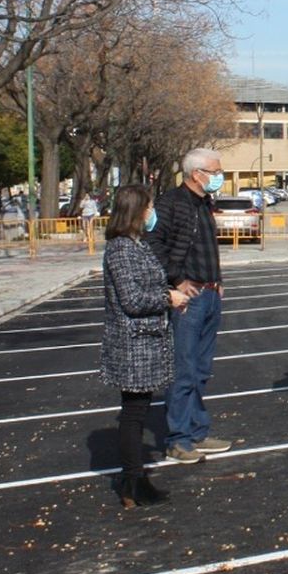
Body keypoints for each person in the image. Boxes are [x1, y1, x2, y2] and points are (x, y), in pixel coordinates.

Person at [100, 184, 189, 507]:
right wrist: (169, 297)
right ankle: (132, 481)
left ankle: (134, 480)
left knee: (137, 410)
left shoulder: (137, 245)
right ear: (137, 210)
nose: (154, 213)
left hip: (146, 339)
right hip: (133, 342)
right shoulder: (121, 248)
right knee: (134, 412)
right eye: (150, 207)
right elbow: (133, 300)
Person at [145, 148, 233, 463]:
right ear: (197, 174)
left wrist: (217, 279)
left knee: (201, 369)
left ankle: (197, 432)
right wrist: (177, 280)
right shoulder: (171, 203)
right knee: (184, 370)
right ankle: (179, 439)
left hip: (210, 293)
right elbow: (152, 242)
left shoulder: (205, 203)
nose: (220, 176)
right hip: (188, 299)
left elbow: (208, 248)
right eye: (215, 170)